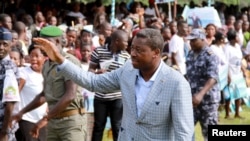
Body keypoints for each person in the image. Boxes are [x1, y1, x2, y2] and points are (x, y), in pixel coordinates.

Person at [33, 28, 194, 141]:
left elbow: (184, 134)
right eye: (132, 48)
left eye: (139, 50)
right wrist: (60, 59)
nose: (132, 54)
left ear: (156, 53)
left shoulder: (177, 84)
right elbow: (92, 82)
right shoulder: (127, 71)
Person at [12, 26, 87, 141]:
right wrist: (22, 112)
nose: (42, 46)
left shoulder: (70, 62)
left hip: (71, 122)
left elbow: (70, 95)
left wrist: (45, 118)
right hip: (53, 123)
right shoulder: (47, 65)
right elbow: (44, 96)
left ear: (57, 42)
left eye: (46, 42)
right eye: (41, 42)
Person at [88, 30, 130, 141]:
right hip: (100, 97)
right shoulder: (98, 51)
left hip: (117, 97)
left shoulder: (126, 56)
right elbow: (90, 70)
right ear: (117, 41)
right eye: (125, 42)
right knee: (98, 127)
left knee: (117, 127)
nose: (127, 44)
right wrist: (97, 73)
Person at [185, 28, 220, 141]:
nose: (191, 43)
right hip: (192, 100)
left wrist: (200, 94)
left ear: (202, 39)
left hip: (208, 100)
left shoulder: (210, 55)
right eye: (190, 40)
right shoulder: (190, 54)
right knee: (186, 129)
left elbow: (213, 77)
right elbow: (189, 75)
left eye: (194, 40)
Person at [14, 44, 47, 141]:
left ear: (45, 58)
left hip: (41, 121)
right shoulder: (24, 73)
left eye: (37, 56)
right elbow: (14, 95)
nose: (33, 59)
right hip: (25, 119)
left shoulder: (48, 74)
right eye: (31, 56)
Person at [0, 26, 20, 141]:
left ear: (10, 45)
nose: (1, 47)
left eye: (5, 44)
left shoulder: (8, 68)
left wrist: (4, 131)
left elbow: (10, 103)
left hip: (2, 128)